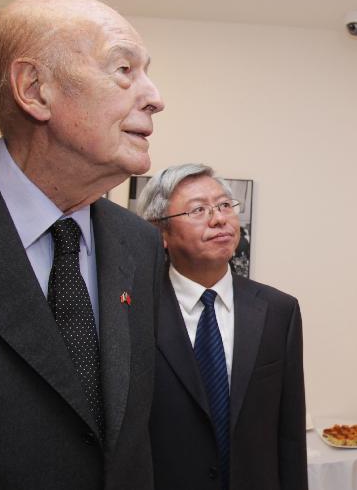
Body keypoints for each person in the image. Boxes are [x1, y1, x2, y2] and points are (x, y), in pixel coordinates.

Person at [0, 0, 165, 489]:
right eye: (124, 68)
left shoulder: (139, 243)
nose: (155, 96)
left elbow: (137, 438)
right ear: (34, 89)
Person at [138, 165, 307, 490]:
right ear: (161, 232)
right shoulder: (136, 309)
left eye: (225, 206)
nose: (219, 219)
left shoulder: (278, 310)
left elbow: (289, 433)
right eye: (199, 209)